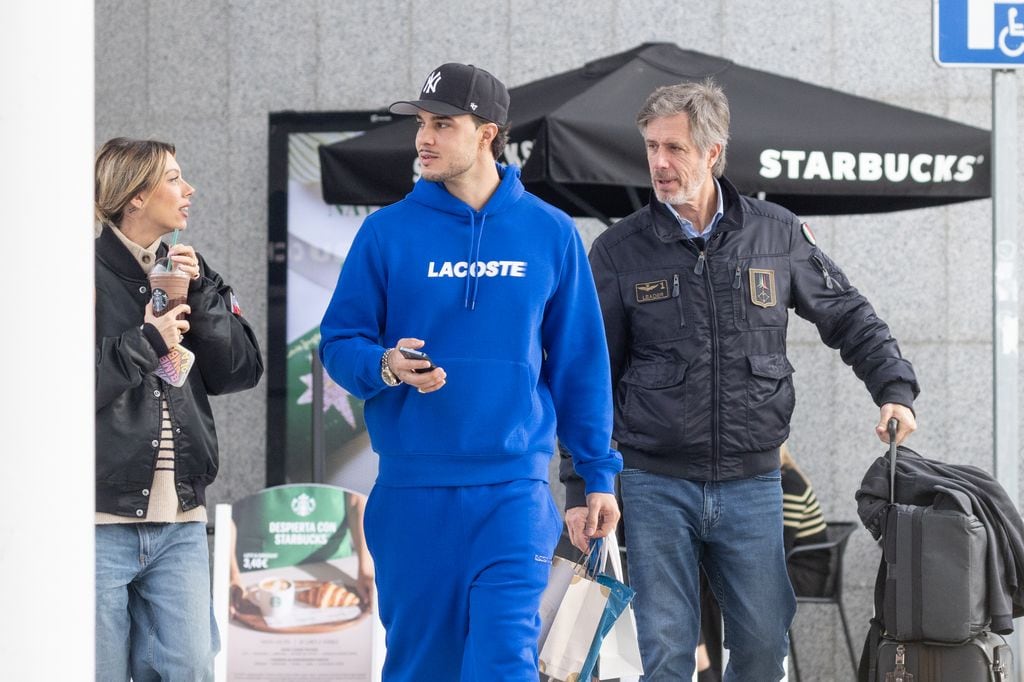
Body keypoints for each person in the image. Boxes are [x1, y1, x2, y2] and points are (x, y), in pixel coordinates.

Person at [561, 79, 919, 681]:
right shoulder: (619, 251)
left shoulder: (776, 234)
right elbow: (585, 375)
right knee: (667, 653)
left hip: (752, 482)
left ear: (712, 152)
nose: (659, 162)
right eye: (651, 146)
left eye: (674, 148)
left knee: (761, 646)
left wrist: (893, 389)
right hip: (654, 483)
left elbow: (849, 314)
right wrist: (579, 486)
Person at [318, 62, 622, 681]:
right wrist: (385, 365)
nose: (423, 139)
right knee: (421, 667)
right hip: (410, 493)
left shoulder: (550, 232)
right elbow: (339, 344)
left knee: (505, 661)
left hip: (514, 492)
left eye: (442, 124)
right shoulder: (385, 233)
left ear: (488, 133)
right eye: (421, 125)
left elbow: (580, 364)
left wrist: (597, 476)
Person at [94, 137, 264, 681]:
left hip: (181, 520)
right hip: (96, 519)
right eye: (173, 178)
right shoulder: (78, 275)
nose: (189, 190)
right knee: (97, 669)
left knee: (190, 668)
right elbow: (52, 390)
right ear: (134, 197)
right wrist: (144, 340)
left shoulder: (190, 270)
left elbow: (240, 372)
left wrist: (206, 294)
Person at [781, 441, 830, 597]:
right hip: (796, 567)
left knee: (723, 574)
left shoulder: (789, 483)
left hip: (806, 575)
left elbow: (781, 546)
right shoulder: (785, 477)